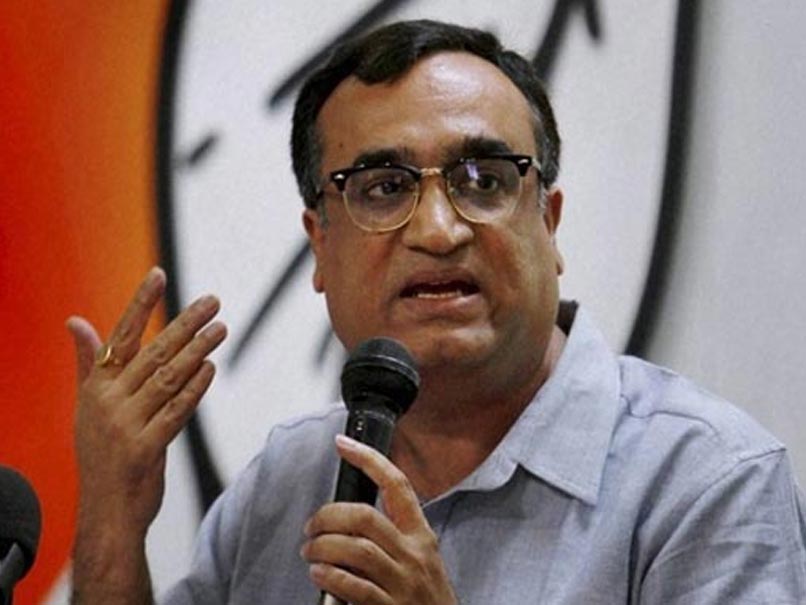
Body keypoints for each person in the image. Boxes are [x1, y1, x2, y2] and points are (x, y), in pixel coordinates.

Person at [68, 19, 806, 605]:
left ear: (549, 225)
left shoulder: (705, 482)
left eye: (482, 180)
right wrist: (112, 518)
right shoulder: (287, 481)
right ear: (320, 246)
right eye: (385, 187)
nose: (439, 229)